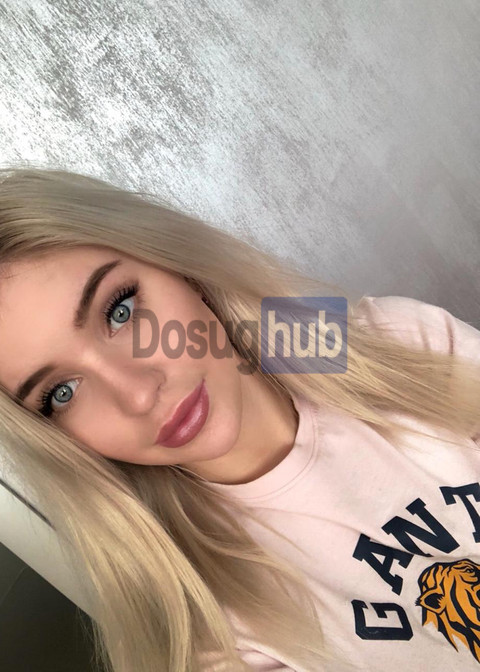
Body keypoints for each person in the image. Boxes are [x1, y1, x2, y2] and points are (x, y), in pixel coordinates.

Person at [0, 166, 479, 672]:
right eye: (62, 393)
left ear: (181, 269)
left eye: (120, 311)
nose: (138, 394)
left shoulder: (388, 341)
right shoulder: (209, 626)